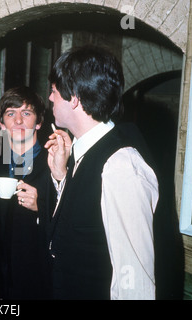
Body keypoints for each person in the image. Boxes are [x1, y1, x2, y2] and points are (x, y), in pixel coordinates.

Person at [45, 46, 159, 299]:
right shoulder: (83, 151)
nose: (50, 98)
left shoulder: (120, 165)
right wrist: (61, 177)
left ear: (73, 97)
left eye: (54, 91)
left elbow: (133, 277)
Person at [0, 86, 55, 299]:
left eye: (27, 113)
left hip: (41, 284)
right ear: (2, 124)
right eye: (11, 113)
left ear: (39, 122)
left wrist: (42, 207)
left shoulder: (56, 166)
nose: (19, 121)